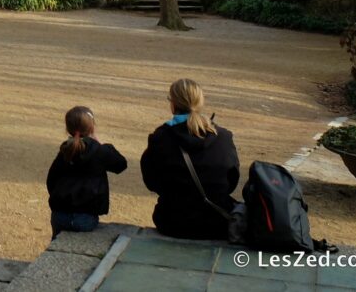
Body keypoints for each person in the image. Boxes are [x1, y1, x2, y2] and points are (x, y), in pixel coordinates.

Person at [140, 78, 240, 239]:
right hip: (217, 221)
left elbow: (151, 181)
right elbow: (232, 180)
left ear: (173, 104)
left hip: (173, 221)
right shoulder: (223, 137)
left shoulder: (161, 137)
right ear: (200, 102)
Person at [46, 106, 127, 237]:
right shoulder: (99, 151)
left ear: (68, 129)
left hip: (60, 213)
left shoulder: (65, 152)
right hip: (85, 215)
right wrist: (102, 145)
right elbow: (121, 164)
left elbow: (51, 179)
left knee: (58, 241)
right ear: (92, 127)